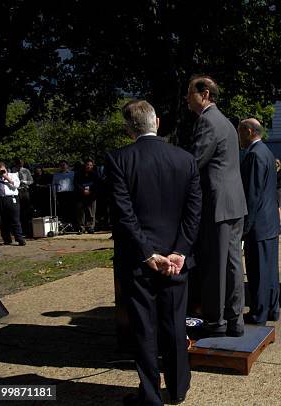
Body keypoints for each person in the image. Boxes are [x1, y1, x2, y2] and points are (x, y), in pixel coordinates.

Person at [107, 100, 201, 406]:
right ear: (157, 121)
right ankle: (177, 389)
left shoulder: (119, 159)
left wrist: (148, 255)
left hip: (138, 262)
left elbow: (124, 215)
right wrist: (180, 252)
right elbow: (194, 211)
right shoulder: (185, 159)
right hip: (175, 261)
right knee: (175, 326)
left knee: (144, 329)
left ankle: (150, 395)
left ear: (128, 128)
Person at [185, 75, 247, 337]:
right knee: (233, 264)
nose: (187, 99)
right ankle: (234, 320)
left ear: (205, 94)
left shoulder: (207, 122)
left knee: (215, 265)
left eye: (190, 93)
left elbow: (193, 162)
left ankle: (215, 321)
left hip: (217, 204)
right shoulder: (226, 123)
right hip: (234, 204)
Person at [238, 118, 281, 325]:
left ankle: (258, 313)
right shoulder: (266, 152)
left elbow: (252, 195)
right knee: (270, 270)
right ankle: (272, 309)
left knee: (258, 272)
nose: (238, 137)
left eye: (240, 132)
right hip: (269, 223)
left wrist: (245, 227)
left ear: (248, 131)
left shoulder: (254, 155)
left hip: (259, 225)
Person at [0, 162, 26, 246]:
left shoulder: (13, 175)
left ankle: (19, 238)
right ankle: (7, 239)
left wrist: (5, 177)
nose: (1, 171)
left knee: (15, 219)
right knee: (2, 220)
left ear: (5, 168)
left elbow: (16, 185)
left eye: (2, 169)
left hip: (11, 199)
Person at [74, 157, 99, 234]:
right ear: (84, 165)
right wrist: (83, 190)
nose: (88, 166)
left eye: (90, 165)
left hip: (91, 195)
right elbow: (76, 183)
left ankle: (90, 227)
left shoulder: (95, 174)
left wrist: (90, 191)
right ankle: (81, 228)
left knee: (91, 212)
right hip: (80, 195)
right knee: (81, 213)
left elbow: (97, 185)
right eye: (87, 164)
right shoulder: (78, 173)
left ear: (92, 166)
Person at [12, 158, 34, 237]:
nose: (20, 164)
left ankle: (27, 230)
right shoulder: (12, 170)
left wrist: (24, 182)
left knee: (26, 210)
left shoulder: (26, 170)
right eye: (18, 163)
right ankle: (18, 231)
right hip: (16, 191)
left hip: (24, 190)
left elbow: (31, 181)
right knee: (18, 211)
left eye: (21, 163)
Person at [51, 160, 75, 229]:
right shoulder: (56, 175)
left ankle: (71, 225)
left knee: (71, 210)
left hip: (70, 194)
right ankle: (64, 226)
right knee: (62, 210)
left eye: (64, 165)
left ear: (67, 165)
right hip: (60, 194)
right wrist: (54, 195)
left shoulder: (72, 173)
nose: (63, 166)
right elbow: (53, 185)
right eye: (61, 165)